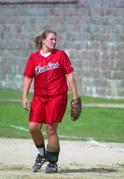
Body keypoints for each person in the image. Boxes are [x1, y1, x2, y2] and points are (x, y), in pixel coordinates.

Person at [22, 29, 79, 173]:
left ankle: (53, 162)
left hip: (57, 96)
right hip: (39, 97)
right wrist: (24, 97)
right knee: (33, 128)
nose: (54, 41)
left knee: (50, 129)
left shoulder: (60, 55)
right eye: (51, 39)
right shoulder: (33, 58)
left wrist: (75, 97)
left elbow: (70, 76)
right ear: (43, 40)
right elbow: (28, 77)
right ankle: (41, 155)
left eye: (55, 39)